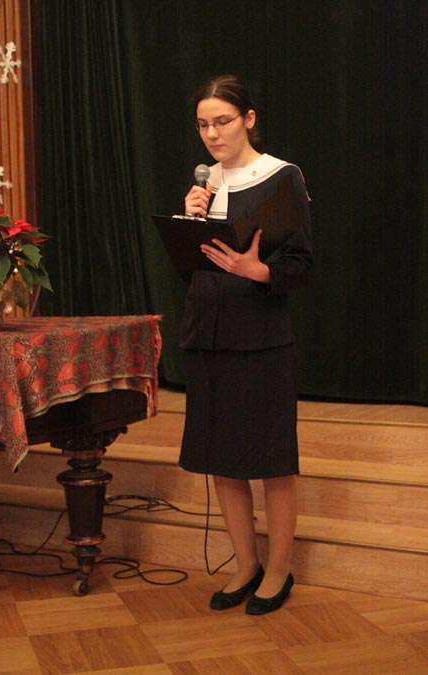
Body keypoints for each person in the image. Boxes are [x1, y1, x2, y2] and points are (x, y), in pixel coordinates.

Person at [178, 74, 313, 615]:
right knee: (223, 459)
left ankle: (278, 570)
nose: (212, 134)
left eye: (222, 122)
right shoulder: (204, 185)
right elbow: (194, 264)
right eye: (202, 125)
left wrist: (260, 272)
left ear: (249, 119)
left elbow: (301, 264)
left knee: (272, 459)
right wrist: (187, 222)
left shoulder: (281, 177)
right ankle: (245, 564)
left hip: (261, 341)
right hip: (208, 336)